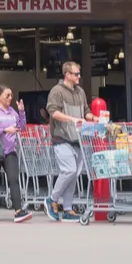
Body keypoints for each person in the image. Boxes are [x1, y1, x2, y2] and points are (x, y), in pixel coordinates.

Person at [44, 61, 91, 222]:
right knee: (69, 171)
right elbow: (53, 112)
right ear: (67, 74)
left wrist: (94, 118)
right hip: (62, 138)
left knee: (74, 175)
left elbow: (86, 111)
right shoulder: (56, 91)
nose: (79, 76)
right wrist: (73, 119)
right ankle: (52, 199)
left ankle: (68, 208)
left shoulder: (80, 92)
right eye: (76, 74)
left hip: (77, 139)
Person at [0, 85, 31, 223]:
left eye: (11, 95)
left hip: (10, 150)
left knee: (13, 179)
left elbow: (21, 127)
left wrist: (21, 112)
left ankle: (18, 211)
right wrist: (5, 130)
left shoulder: (12, 111)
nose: (10, 98)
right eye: (7, 95)